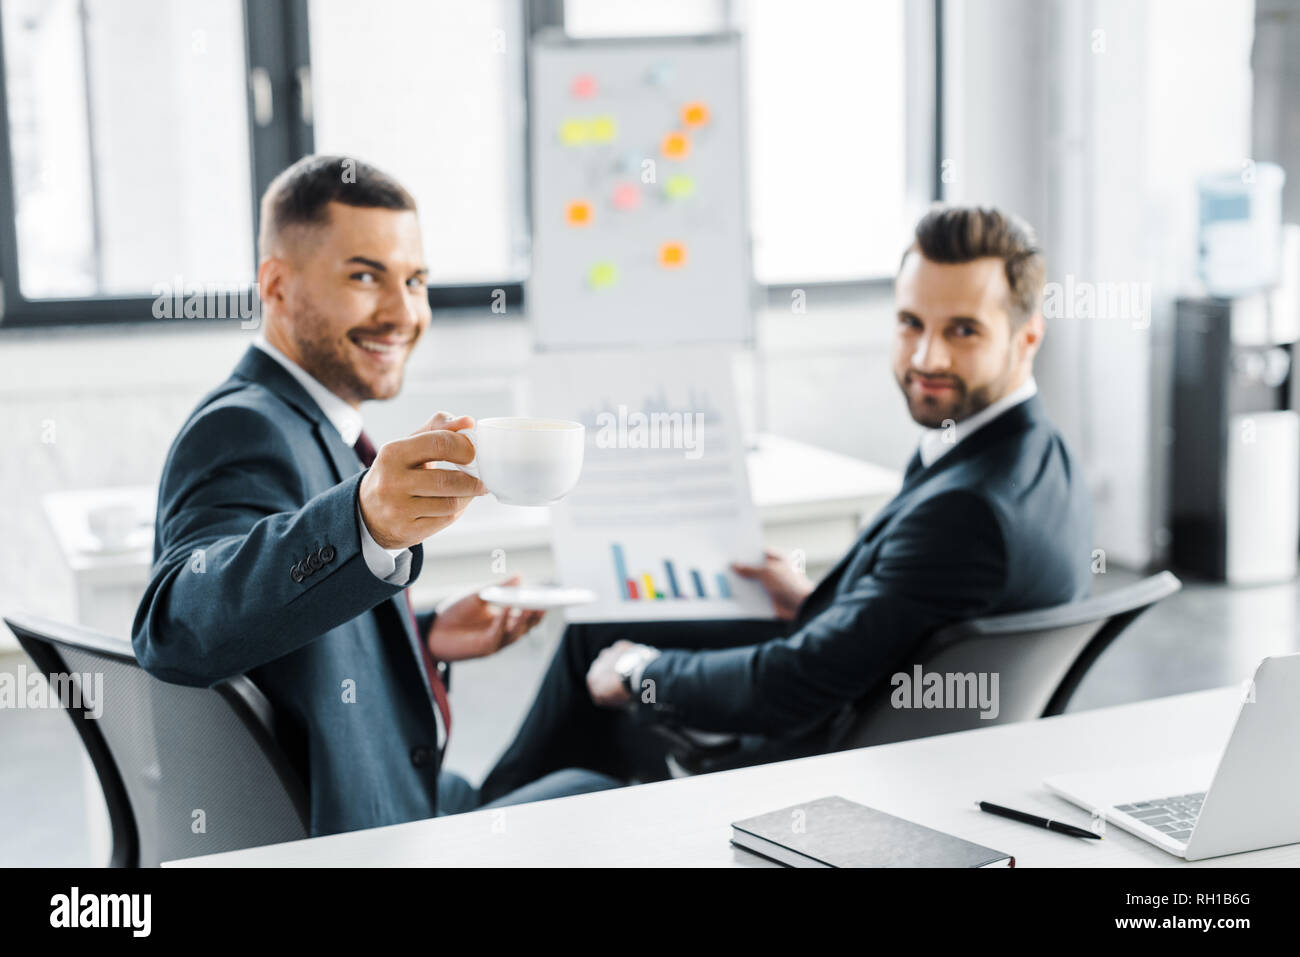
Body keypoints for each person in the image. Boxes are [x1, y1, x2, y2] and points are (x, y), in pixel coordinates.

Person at [479, 204, 1094, 800]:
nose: (926, 357)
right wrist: (812, 600)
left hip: (832, 757)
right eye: (911, 322)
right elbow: (920, 617)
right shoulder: (1037, 455)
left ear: (1027, 337)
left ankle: (482, 829)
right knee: (604, 628)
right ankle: (503, 808)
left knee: (614, 666)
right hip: (904, 718)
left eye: (963, 330)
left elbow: (798, 683)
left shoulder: (968, 513)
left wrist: (646, 673)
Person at [132, 154, 617, 837]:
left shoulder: (308, 420)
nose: (402, 312)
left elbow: (286, 627)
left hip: (398, 795)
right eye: (365, 276)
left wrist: (419, 635)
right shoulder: (244, 427)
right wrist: (366, 519)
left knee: (591, 718)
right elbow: (177, 625)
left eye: (415, 280)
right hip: (360, 833)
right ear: (276, 285)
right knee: (604, 780)